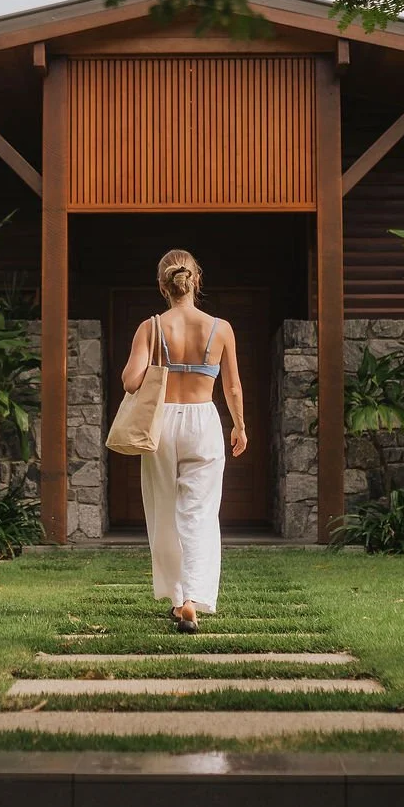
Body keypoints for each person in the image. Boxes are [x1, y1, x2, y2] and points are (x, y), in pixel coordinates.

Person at [117, 250, 246, 632]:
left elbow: (130, 381)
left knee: (164, 510)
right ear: (196, 281)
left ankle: (179, 600)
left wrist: (161, 363)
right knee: (199, 513)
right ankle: (194, 596)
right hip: (204, 421)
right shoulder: (220, 328)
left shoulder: (151, 327)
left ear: (163, 286)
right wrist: (239, 426)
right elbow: (233, 387)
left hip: (162, 422)